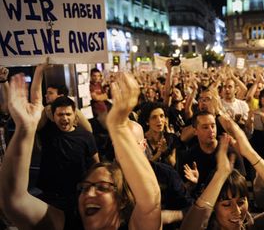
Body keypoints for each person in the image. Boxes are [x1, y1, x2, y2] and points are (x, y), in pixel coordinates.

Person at [0, 71, 162, 230]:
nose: (90, 194)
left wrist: (118, 126)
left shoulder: (133, 225)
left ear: (122, 201)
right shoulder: (68, 221)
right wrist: (25, 128)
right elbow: (14, 200)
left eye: (103, 187)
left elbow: (150, 203)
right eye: (84, 188)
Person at [180, 113, 264, 230]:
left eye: (241, 202)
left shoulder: (255, 226)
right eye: (227, 204)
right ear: (213, 208)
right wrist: (219, 176)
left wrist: (249, 153)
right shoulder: (188, 155)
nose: (237, 211)